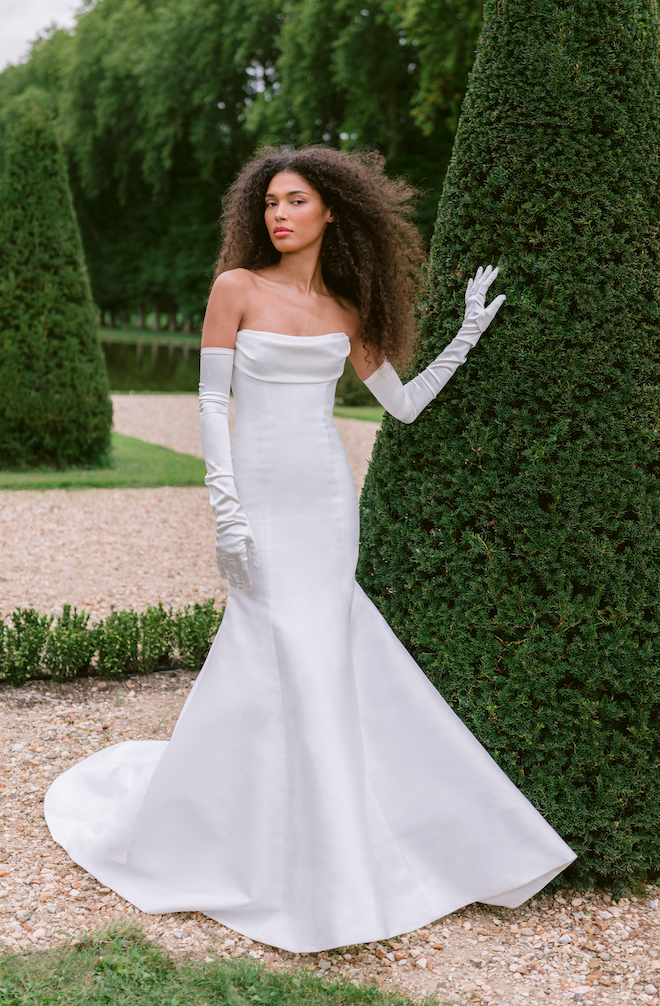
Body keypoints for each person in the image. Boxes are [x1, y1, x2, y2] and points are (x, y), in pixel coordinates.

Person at [45, 146, 575, 954]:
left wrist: (466, 332)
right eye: (269, 203)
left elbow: (399, 408)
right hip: (255, 493)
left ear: (331, 210)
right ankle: (246, 834)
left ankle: (338, 841)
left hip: (326, 500)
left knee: (324, 648)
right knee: (271, 646)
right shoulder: (236, 289)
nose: (280, 215)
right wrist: (225, 512)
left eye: (295, 201)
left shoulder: (348, 309)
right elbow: (210, 403)